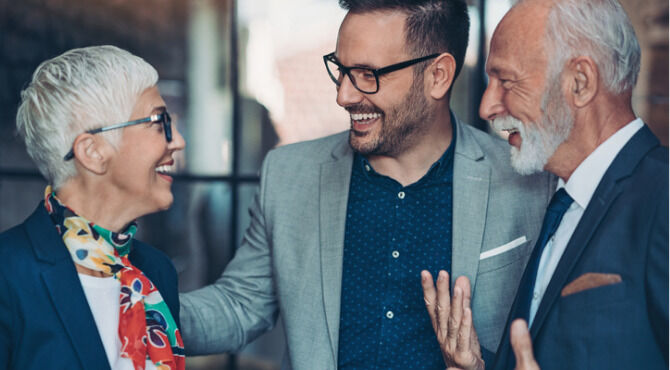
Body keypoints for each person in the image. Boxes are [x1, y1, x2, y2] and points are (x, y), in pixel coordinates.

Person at [180, 0, 552, 368]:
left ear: (438, 75)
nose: (344, 95)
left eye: (367, 75)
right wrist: (137, 305)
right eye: (341, 70)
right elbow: (239, 305)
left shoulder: (529, 183)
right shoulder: (288, 174)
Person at [422, 0, 668, 369]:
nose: (487, 106)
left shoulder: (662, 196)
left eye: (506, 81)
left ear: (580, 83)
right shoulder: (556, 200)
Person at [0, 45, 187, 370]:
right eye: (160, 123)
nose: (178, 140)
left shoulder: (157, 273)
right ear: (93, 152)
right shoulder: (7, 275)